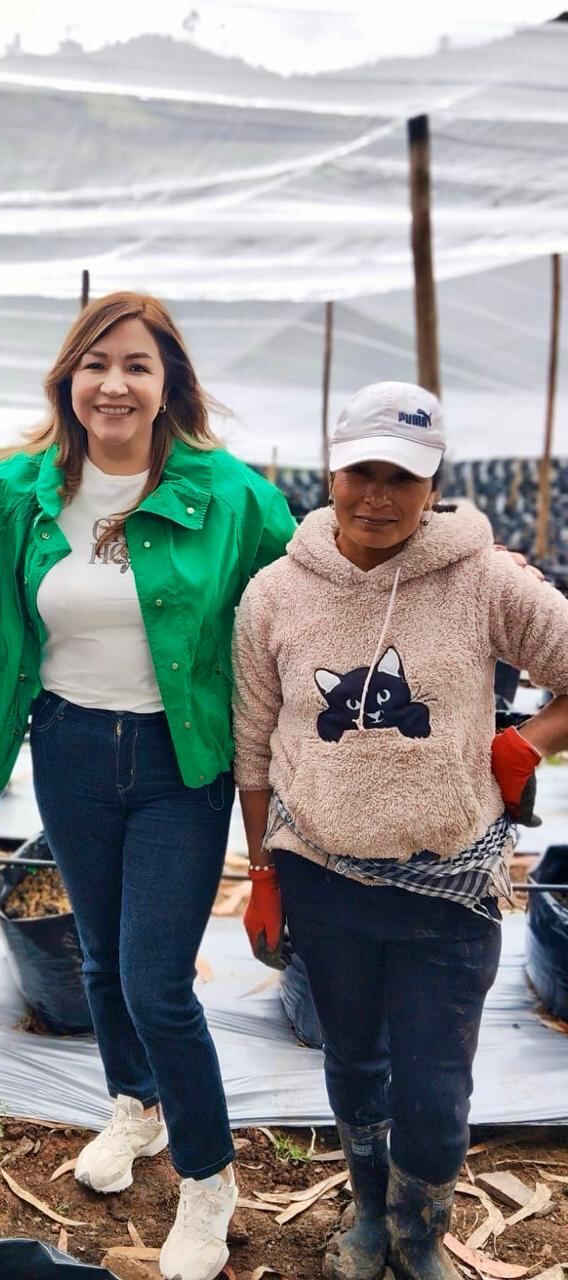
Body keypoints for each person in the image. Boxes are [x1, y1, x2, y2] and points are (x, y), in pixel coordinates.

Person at [0, 291, 297, 1280]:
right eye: (96, 363)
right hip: (67, 745)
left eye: (138, 364)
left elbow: (307, 587)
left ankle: (208, 1175)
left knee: (154, 975)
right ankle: (134, 1105)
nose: (114, 382)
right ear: (68, 379)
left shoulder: (229, 493)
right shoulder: (13, 492)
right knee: (97, 956)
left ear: (167, 384)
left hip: (183, 759)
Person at [232, 381, 568, 1280]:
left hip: (448, 890)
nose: (377, 496)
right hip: (326, 880)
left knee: (433, 1087)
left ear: (433, 484)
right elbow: (256, 747)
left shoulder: (485, 581)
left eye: (401, 478)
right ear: (331, 468)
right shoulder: (275, 595)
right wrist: (263, 872)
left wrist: (523, 744)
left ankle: (420, 1229)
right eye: (360, 473)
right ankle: (369, 1213)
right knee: (353, 1063)